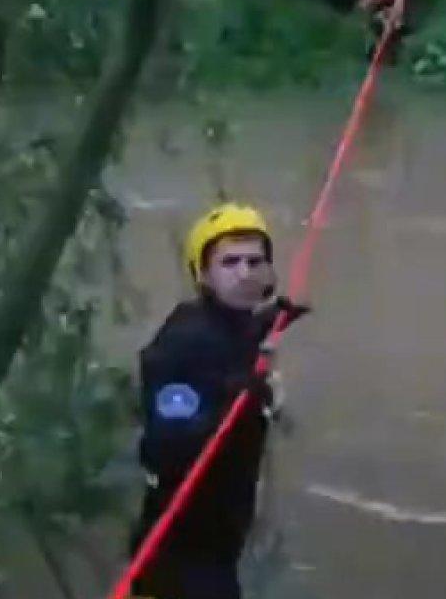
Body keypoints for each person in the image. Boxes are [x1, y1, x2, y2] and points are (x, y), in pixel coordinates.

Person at [130, 202, 309, 599]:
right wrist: (235, 399)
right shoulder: (182, 344)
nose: (245, 273)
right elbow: (166, 449)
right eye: (230, 263)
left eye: (254, 262)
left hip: (218, 550)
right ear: (204, 275)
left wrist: (268, 321)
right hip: (178, 559)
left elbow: (231, 344)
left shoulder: (234, 328)